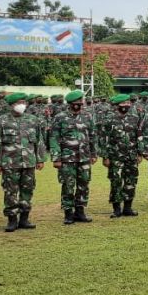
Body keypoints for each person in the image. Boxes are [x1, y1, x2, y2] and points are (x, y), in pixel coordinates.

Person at [0, 93, 46, 231]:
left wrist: (40, 159)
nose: (22, 105)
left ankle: (24, 219)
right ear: (12, 105)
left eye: (24, 102)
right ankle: (12, 220)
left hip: (29, 162)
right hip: (9, 163)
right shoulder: (1, 121)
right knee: (10, 191)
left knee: (27, 190)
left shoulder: (33, 120)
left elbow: (39, 141)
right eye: (19, 102)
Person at [50, 90, 97, 225]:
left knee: (84, 184)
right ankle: (68, 213)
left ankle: (80, 211)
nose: (80, 104)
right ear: (71, 103)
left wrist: (94, 153)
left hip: (84, 157)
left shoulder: (88, 116)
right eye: (77, 102)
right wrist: (56, 158)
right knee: (68, 185)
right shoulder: (60, 117)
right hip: (67, 158)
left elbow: (93, 136)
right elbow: (54, 138)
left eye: (81, 102)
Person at [100, 94, 143, 218]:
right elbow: (103, 139)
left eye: (128, 103)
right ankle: (117, 209)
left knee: (131, 181)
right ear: (118, 105)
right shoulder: (109, 119)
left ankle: (128, 208)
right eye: (124, 103)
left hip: (131, 156)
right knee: (116, 182)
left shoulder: (135, 117)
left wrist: (140, 153)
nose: (126, 105)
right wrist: (105, 156)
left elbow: (139, 137)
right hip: (115, 156)